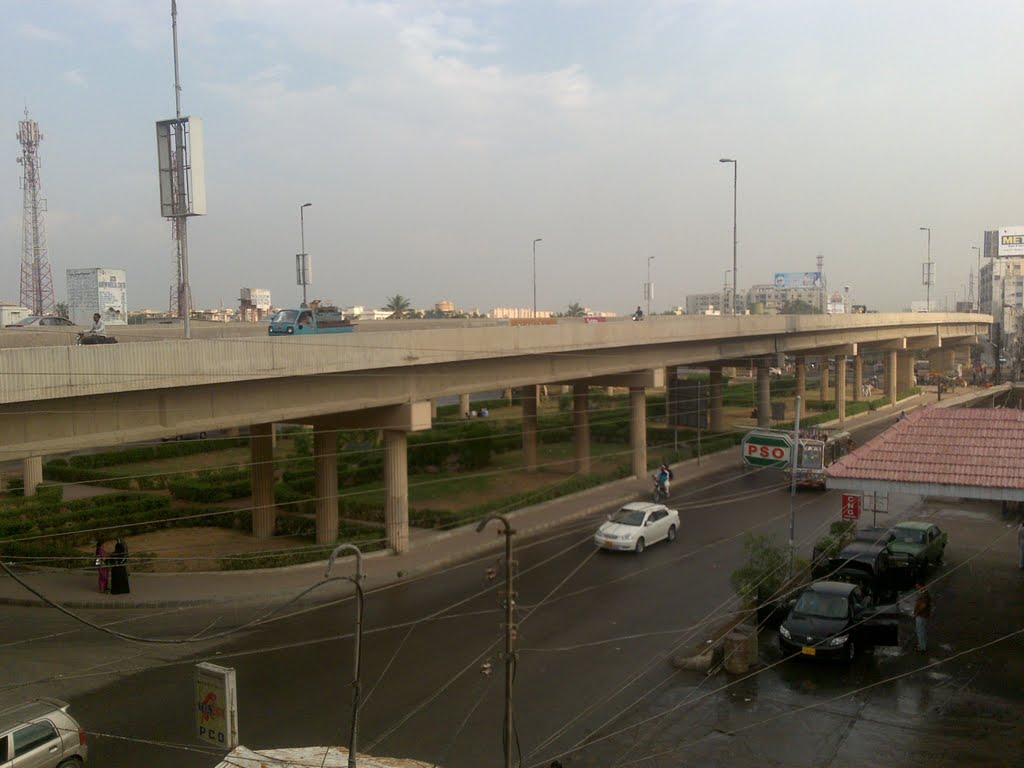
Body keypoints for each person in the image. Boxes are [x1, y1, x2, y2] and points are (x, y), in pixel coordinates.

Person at [913, 580, 931, 652]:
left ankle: (922, 647)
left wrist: (916, 612)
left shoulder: (925, 594)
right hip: (921, 615)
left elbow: (923, 605)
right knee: (922, 631)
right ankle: (922, 645)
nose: (916, 587)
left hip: (921, 615)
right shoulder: (922, 593)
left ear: (922, 586)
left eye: (917, 586)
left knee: (920, 631)